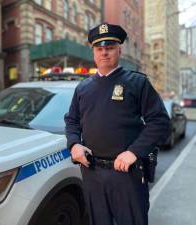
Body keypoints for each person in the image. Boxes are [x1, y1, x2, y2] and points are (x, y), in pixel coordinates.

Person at [64, 23, 170, 225]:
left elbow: (160, 121)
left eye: (110, 48)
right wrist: (74, 144)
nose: (104, 53)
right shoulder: (83, 88)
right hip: (92, 172)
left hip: (127, 175)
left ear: (119, 50)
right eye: (99, 48)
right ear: (93, 52)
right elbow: (72, 120)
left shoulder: (137, 82)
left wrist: (134, 151)